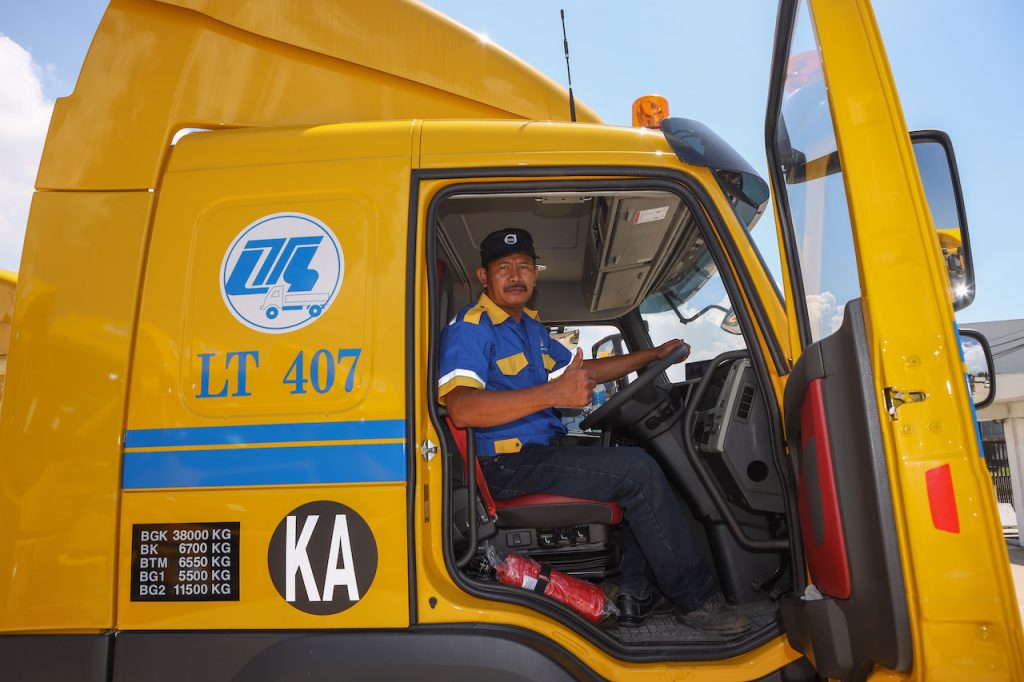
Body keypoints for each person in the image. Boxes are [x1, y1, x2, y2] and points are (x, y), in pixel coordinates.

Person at [438, 228, 751, 635]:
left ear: (535, 274)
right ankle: (696, 601)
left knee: (646, 462)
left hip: (537, 452)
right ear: (483, 277)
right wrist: (553, 393)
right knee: (638, 471)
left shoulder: (529, 327)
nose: (515, 275)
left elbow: (584, 371)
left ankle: (635, 593)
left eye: (524, 267)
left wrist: (651, 356)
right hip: (502, 464)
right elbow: (461, 409)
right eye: (504, 268)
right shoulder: (471, 327)